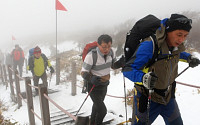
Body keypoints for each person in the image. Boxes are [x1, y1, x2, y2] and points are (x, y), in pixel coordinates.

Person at [123, 14, 200, 125]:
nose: (182, 39)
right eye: (179, 34)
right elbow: (127, 69)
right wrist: (143, 78)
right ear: (168, 31)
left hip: (168, 97)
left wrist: (189, 57)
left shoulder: (175, 46)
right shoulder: (150, 45)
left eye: (185, 35)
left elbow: (177, 53)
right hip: (147, 97)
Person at [81, 34, 124, 125]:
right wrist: (91, 78)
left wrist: (120, 63)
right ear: (98, 45)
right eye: (104, 47)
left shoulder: (112, 52)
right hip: (93, 86)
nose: (107, 49)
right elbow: (83, 72)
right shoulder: (91, 56)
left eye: (109, 46)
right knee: (102, 111)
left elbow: (112, 65)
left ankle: (92, 122)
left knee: (97, 107)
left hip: (104, 85)